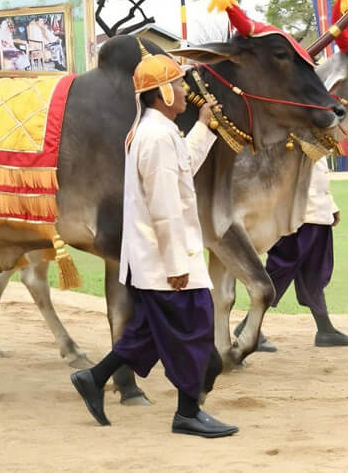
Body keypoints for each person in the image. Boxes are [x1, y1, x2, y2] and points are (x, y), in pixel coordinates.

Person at [70, 44, 237, 438]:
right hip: (167, 263)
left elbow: (182, 171)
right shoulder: (156, 136)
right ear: (162, 93)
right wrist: (177, 265)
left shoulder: (159, 131)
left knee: (146, 334)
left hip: (159, 259)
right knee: (195, 330)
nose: (184, 93)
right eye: (178, 86)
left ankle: (94, 378)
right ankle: (187, 413)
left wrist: (204, 128)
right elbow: (163, 206)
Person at [253, 157, 348, 348]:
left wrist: (330, 206)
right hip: (298, 217)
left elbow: (318, 177)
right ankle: (249, 326)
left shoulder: (315, 135)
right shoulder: (293, 133)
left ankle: (325, 330)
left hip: (317, 215)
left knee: (313, 274)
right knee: (280, 270)